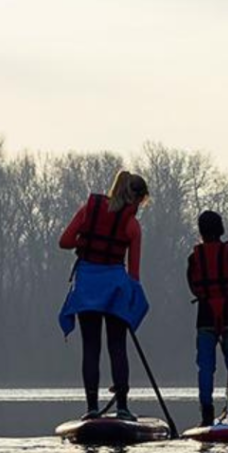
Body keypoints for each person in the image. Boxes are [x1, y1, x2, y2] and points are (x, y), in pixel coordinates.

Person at [59, 170, 150, 421]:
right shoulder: (132, 225)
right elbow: (134, 275)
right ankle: (122, 406)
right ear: (137, 199)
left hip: (87, 286)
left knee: (91, 347)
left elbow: (64, 241)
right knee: (117, 346)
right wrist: (133, 305)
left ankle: (91, 408)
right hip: (115, 290)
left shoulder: (90, 210)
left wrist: (85, 244)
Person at [186, 210, 228, 426]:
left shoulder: (193, 257)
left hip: (205, 318)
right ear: (221, 228)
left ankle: (206, 415)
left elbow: (194, 288)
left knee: (205, 367)